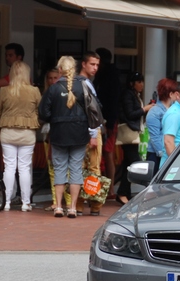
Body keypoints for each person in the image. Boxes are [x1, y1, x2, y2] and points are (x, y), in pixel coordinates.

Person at [38, 55, 91, 218]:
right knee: (76, 169)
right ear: (74, 69)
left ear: (60, 70)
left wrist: (55, 118)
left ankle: (59, 206)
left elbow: (43, 113)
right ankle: (73, 207)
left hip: (59, 134)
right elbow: (95, 108)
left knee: (59, 169)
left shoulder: (53, 89)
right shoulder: (83, 86)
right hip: (79, 133)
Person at [0, 61, 41, 212]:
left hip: (8, 132)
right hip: (27, 132)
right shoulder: (34, 91)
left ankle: (6, 201)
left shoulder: (5, 91)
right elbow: (41, 110)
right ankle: (26, 203)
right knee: (25, 168)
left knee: (9, 167)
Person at [75, 51, 106, 216]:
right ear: (84, 64)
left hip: (82, 130)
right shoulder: (85, 84)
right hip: (91, 131)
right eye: (92, 64)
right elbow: (92, 111)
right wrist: (94, 134)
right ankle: (94, 205)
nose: (95, 68)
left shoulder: (80, 83)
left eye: (97, 65)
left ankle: (81, 204)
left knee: (81, 168)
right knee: (93, 168)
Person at [115, 72, 154, 205]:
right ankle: (150, 191)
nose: (141, 84)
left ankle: (123, 192)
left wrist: (145, 108)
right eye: (138, 82)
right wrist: (145, 109)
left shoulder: (134, 95)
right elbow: (130, 114)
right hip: (129, 133)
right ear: (132, 83)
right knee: (137, 164)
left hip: (133, 133)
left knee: (128, 164)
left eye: (142, 81)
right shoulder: (128, 94)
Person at [41, 68, 71, 212]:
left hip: (62, 132)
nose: (52, 81)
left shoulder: (63, 94)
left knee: (68, 168)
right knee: (52, 167)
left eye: (55, 78)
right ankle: (56, 201)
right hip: (49, 133)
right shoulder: (46, 94)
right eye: (49, 78)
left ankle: (69, 200)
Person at [94, 47, 122, 198]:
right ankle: (108, 187)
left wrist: (110, 123)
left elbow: (112, 101)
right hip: (104, 119)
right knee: (104, 153)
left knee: (108, 153)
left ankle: (110, 188)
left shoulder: (108, 77)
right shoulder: (105, 76)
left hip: (108, 120)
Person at [146, 78, 178, 172]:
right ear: (170, 94)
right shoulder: (155, 111)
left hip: (168, 152)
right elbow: (155, 137)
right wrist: (165, 155)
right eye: (175, 92)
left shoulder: (172, 109)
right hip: (156, 155)